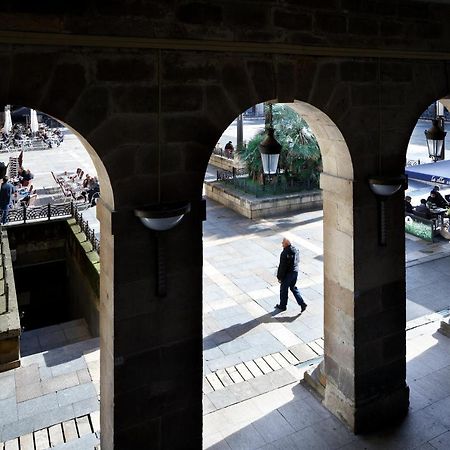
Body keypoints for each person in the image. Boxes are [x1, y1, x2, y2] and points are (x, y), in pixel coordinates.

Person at [275, 237, 307, 312]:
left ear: (286, 244)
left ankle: (282, 306)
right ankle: (302, 303)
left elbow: (282, 267)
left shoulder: (284, 253)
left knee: (283, 289)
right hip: (295, 272)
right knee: (293, 287)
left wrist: (279, 277)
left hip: (288, 274)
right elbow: (297, 260)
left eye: (283, 242)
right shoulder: (295, 250)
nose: (282, 244)